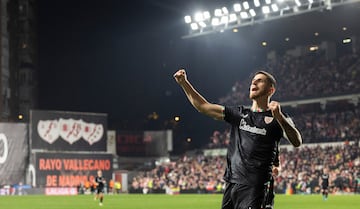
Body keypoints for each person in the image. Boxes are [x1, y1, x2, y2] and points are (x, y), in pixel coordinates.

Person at [173, 69, 302, 209]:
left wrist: (280, 117)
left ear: (270, 90)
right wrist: (184, 83)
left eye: (260, 80)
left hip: (255, 187)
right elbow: (204, 107)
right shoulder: (239, 114)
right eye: (253, 80)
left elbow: (297, 141)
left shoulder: (278, 118)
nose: (254, 82)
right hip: (231, 184)